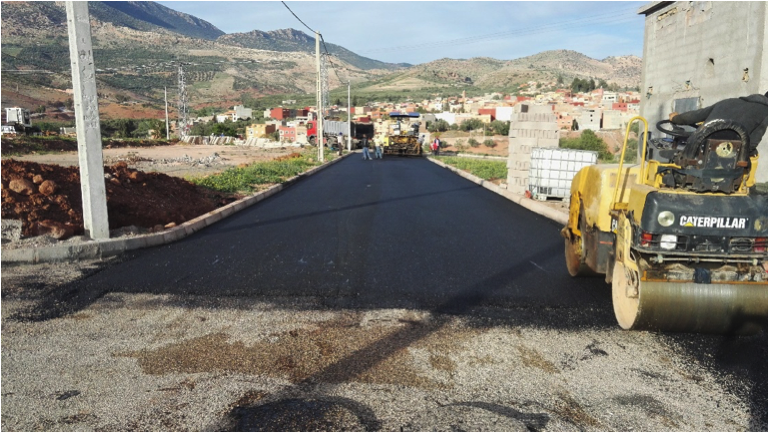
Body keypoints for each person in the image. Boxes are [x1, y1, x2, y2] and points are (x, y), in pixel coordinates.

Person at [670, 91, 768, 155]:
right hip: (726, 155)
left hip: (697, 147)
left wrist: (676, 118)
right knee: (753, 154)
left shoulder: (728, 102)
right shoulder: (765, 112)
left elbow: (696, 115)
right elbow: (753, 142)